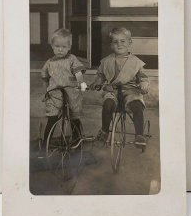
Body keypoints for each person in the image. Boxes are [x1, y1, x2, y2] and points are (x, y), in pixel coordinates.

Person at [90, 27, 149, 147]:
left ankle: (139, 135)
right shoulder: (106, 61)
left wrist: (143, 84)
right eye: (115, 42)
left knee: (137, 105)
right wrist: (97, 82)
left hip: (130, 90)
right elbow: (100, 75)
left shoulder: (136, 62)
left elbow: (143, 77)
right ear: (111, 44)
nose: (119, 44)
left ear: (129, 42)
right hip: (113, 90)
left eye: (123, 41)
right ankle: (105, 131)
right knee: (107, 104)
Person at [40, 28, 87, 156]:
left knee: (74, 114)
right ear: (52, 46)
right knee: (52, 116)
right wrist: (45, 92)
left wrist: (81, 82)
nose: (60, 49)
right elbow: (45, 78)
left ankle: (77, 139)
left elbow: (77, 71)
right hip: (55, 92)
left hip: (70, 89)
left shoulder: (72, 59)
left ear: (69, 47)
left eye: (64, 46)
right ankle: (46, 141)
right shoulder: (49, 63)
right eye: (57, 46)